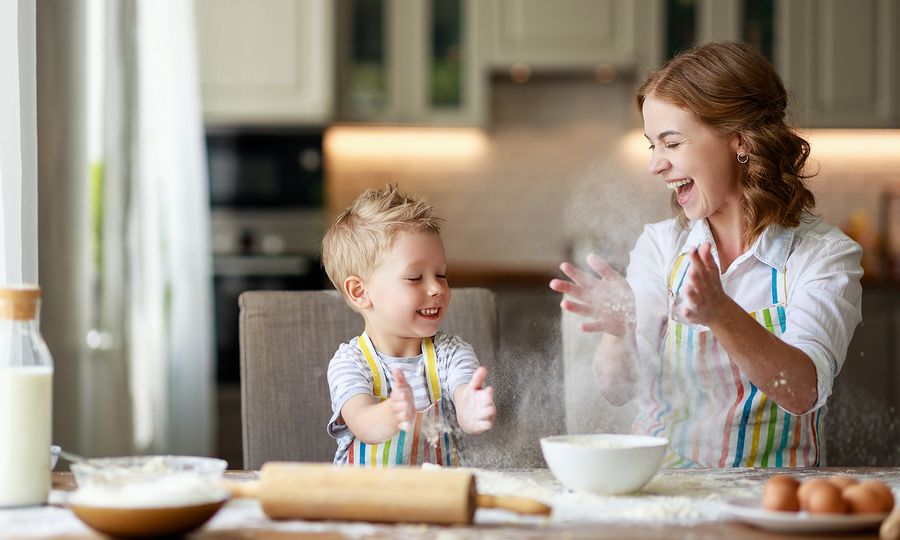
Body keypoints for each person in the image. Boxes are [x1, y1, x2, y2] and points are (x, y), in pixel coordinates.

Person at [550, 42, 863, 468]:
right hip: (665, 489)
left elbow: (802, 389)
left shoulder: (824, 256)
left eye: (672, 143)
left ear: (739, 142)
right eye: (652, 146)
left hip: (776, 499)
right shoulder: (661, 247)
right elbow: (619, 389)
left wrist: (721, 312)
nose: (655, 165)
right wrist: (618, 333)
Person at [322, 184, 496, 466]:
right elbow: (362, 421)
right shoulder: (350, 363)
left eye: (441, 274)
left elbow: (463, 392)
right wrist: (389, 414)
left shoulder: (449, 353)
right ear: (360, 292)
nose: (437, 288)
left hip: (438, 500)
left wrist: (471, 410)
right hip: (367, 503)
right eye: (415, 278)